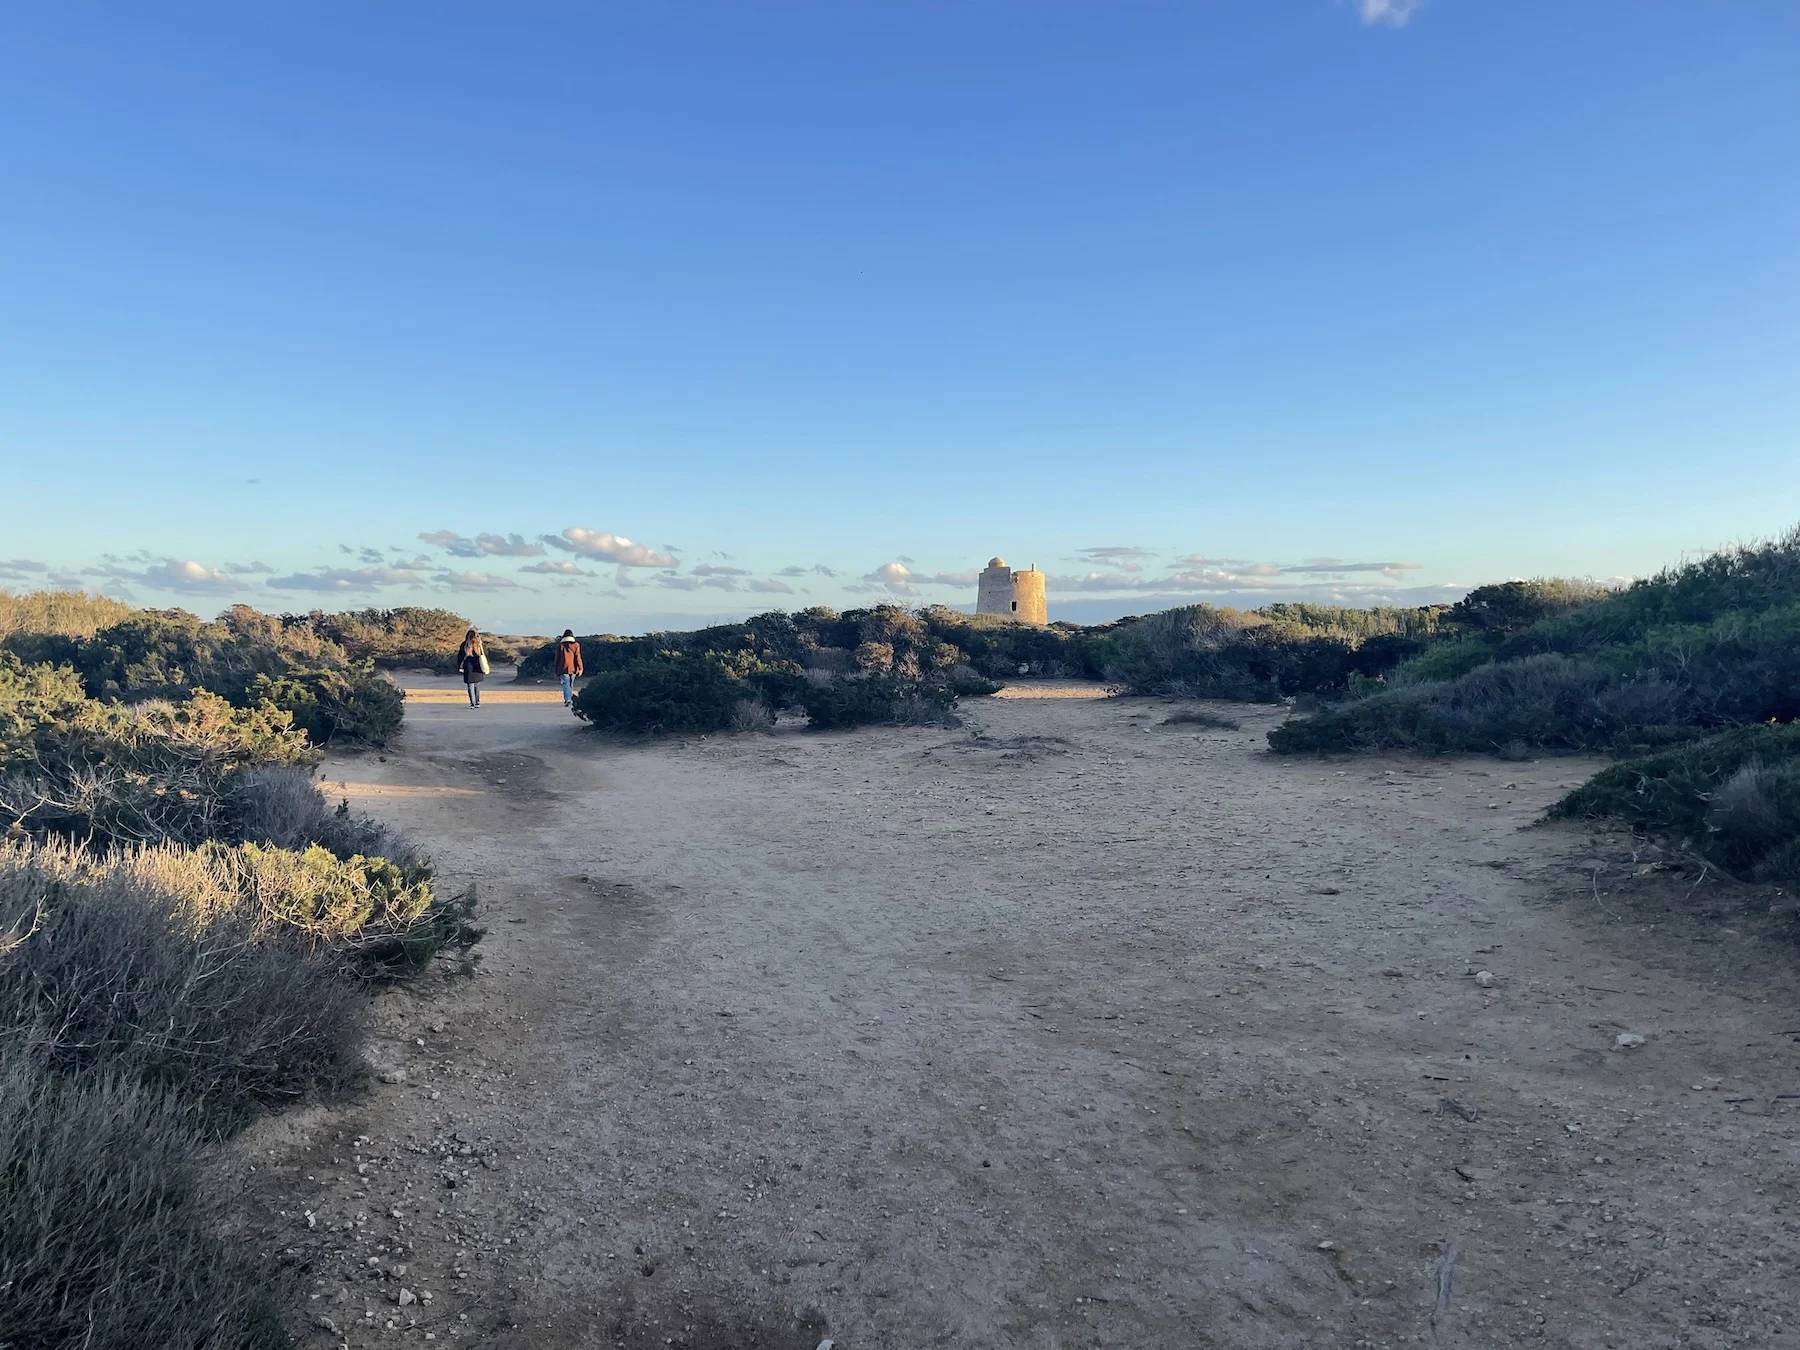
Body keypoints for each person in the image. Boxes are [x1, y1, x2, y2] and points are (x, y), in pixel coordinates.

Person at [552, 629, 584, 706]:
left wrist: (555, 670)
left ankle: (568, 699)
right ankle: (570, 699)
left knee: (565, 684)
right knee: (570, 685)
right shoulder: (576, 645)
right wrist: (580, 668)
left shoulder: (560, 646)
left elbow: (557, 659)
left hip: (562, 668)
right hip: (573, 668)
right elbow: (578, 657)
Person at [457, 629, 487, 707]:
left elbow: (460, 656)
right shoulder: (478, 644)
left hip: (468, 666)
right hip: (478, 666)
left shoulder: (464, 644)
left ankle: (472, 703)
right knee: (477, 685)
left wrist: (459, 665)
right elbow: (482, 654)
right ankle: (477, 702)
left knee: (470, 686)